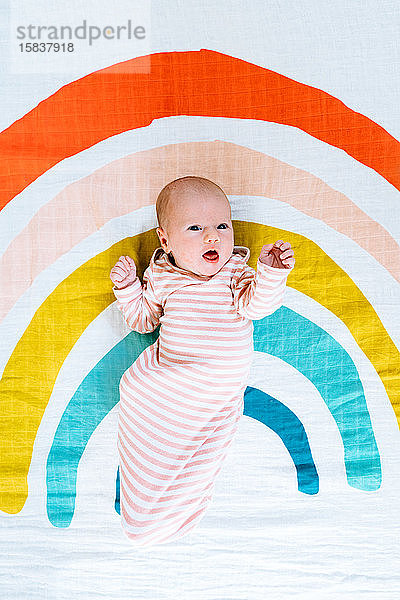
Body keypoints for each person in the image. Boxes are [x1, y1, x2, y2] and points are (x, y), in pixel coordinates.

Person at [109, 176, 295, 546]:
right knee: (136, 389)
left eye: (221, 227)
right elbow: (144, 320)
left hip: (216, 392)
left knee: (199, 456)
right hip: (171, 384)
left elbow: (256, 306)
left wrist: (272, 274)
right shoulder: (162, 276)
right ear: (165, 240)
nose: (212, 237)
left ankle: (172, 506)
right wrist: (129, 290)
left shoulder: (235, 272)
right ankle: (147, 507)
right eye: (195, 228)